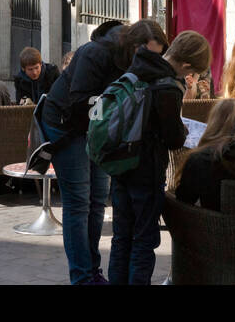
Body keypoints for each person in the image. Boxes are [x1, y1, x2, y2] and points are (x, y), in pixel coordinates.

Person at [40, 18, 168, 285]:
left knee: (98, 201)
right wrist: (113, 104)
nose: (149, 63)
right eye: (146, 55)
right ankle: (83, 276)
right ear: (134, 47)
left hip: (99, 130)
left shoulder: (132, 58)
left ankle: (93, 270)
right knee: (78, 203)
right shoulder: (95, 52)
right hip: (68, 127)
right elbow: (78, 101)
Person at [109, 29, 211, 285]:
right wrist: (182, 129)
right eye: (192, 72)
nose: (189, 77)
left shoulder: (136, 67)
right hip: (146, 170)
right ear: (186, 64)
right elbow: (173, 137)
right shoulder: (168, 85)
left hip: (121, 164)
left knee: (121, 238)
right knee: (143, 240)